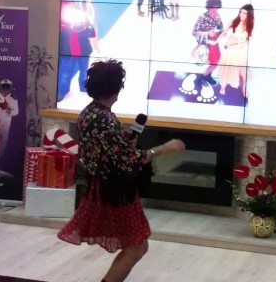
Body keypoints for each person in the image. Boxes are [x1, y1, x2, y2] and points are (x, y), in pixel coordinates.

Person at [57, 59, 185, 282]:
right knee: (137, 247)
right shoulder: (104, 119)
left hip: (104, 189)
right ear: (115, 89)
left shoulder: (90, 113)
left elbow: (105, 146)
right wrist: (165, 148)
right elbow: (128, 160)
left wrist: (123, 138)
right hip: (114, 193)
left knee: (137, 245)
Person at [216, 4, 254, 103]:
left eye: (244, 13)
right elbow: (224, 32)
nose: (241, 14)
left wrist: (235, 45)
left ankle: (244, 88)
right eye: (241, 12)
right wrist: (217, 41)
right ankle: (223, 86)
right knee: (226, 67)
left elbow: (247, 41)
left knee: (241, 70)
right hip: (229, 49)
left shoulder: (250, 25)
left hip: (239, 49)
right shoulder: (234, 20)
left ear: (249, 14)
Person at [192, 0, 224, 87]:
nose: (215, 10)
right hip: (205, 44)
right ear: (208, 7)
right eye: (213, 8)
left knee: (215, 62)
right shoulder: (202, 17)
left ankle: (208, 77)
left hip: (215, 43)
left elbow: (221, 28)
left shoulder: (217, 15)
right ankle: (201, 78)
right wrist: (207, 33)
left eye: (217, 8)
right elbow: (194, 32)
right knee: (214, 64)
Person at [0, 79, 19, 150]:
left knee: (4, 137)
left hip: (5, 121)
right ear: (2, 88)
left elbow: (16, 111)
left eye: (7, 88)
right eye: (4, 88)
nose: (5, 90)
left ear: (9, 88)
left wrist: (10, 112)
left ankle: (3, 151)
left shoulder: (13, 99)